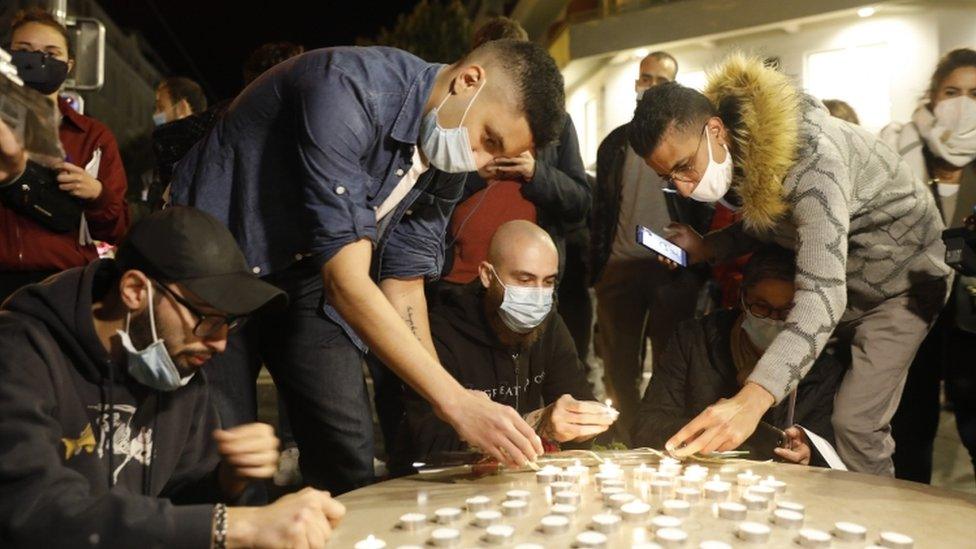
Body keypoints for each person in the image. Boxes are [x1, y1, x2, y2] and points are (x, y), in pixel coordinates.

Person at [170, 39, 566, 493]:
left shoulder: (448, 156)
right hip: (217, 267)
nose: (479, 162)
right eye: (488, 139)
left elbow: (404, 284)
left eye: (496, 155)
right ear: (468, 81)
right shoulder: (349, 88)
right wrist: (453, 401)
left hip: (305, 273)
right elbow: (346, 281)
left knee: (348, 452)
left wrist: (451, 397)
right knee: (230, 463)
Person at [631, 54, 950, 475]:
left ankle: (872, 526)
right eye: (670, 179)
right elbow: (772, 222)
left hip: (900, 288)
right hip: (845, 282)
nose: (685, 190)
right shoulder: (745, 153)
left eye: (685, 167)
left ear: (715, 130)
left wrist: (753, 398)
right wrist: (707, 247)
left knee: (855, 423)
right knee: (805, 408)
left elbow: (822, 296)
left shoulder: (815, 164)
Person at [0, 201, 347, 548]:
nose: (220, 343)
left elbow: (179, 505)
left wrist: (227, 480)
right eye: (206, 318)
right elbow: (35, 510)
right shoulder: (20, 351)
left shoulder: (177, 372)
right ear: (135, 290)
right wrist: (237, 525)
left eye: (228, 323)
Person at [394, 221, 613, 469]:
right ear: (488, 275)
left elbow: (577, 400)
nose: (537, 296)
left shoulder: (549, 325)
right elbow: (428, 443)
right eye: (525, 279)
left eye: (548, 282)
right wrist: (537, 424)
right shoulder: (442, 332)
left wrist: (580, 425)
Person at [590, 51, 712, 438]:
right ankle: (625, 439)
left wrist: (692, 257)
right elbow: (602, 206)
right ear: (637, 83)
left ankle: (661, 440)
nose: (651, 86)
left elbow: (704, 207)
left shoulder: (688, 142)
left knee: (669, 365)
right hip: (620, 267)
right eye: (646, 78)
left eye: (662, 81)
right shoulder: (615, 143)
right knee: (618, 365)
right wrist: (599, 264)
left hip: (672, 271)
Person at [632, 246, 844, 466]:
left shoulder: (821, 369)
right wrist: (710, 431)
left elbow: (826, 447)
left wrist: (808, 448)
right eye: (761, 307)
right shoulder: (695, 341)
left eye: (787, 312)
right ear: (742, 298)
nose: (774, 320)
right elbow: (646, 426)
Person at [883, 47, 976, 484]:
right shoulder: (899, 145)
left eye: (975, 93)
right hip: (909, 307)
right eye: (952, 91)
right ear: (933, 96)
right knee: (909, 431)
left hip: (970, 321)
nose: (962, 102)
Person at [1, 7, 128, 301]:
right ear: (8, 54)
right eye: (25, 50)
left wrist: (97, 194)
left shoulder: (93, 137)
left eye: (51, 52)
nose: (39, 59)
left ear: (69, 65)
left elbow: (118, 228)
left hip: (61, 287)